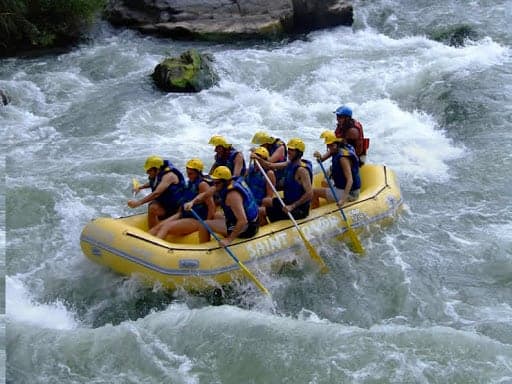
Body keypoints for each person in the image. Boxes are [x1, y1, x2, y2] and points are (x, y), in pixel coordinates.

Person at [185, 166, 259, 246]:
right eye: (213, 182)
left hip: (247, 228)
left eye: (217, 183)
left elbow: (243, 220)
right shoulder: (225, 184)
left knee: (204, 224)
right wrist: (192, 202)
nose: (214, 185)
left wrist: (229, 240)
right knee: (216, 215)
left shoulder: (232, 196)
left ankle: (205, 250)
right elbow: (205, 195)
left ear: (225, 182)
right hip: (246, 222)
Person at [149, 158, 216, 239]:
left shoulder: (202, 185)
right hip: (184, 214)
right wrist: (177, 214)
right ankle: (144, 244)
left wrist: (207, 225)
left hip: (197, 219)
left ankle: (155, 249)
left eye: (191, 173)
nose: (188, 176)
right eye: (188, 173)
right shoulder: (191, 182)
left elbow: (211, 206)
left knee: (166, 227)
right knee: (157, 228)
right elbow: (185, 200)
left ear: (198, 172)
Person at [253, 138, 313, 222]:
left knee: (260, 211)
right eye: (289, 149)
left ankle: (268, 229)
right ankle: (266, 223)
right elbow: (269, 165)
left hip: (298, 209)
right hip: (288, 201)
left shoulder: (302, 170)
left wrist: (292, 206)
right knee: (265, 201)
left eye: (292, 150)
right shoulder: (290, 163)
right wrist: (258, 158)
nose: (288, 152)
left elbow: (310, 194)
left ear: (299, 153)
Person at [128, 156, 186, 229]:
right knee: (152, 207)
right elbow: (154, 183)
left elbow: (156, 193)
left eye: (149, 170)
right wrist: (140, 187)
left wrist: (138, 203)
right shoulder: (158, 173)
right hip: (166, 206)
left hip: (177, 209)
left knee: (153, 206)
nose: (147, 172)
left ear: (157, 169)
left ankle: (158, 230)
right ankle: (152, 231)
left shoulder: (169, 176)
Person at [312, 131, 361, 208]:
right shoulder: (335, 149)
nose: (330, 148)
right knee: (324, 182)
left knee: (314, 192)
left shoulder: (343, 158)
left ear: (337, 143)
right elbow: (320, 160)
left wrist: (343, 199)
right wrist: (318, 156)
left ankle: (315, 213)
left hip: (350, 193)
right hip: (342, 187)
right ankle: (330, 201)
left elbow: (350, 180)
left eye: (332, 145)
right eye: (328, 145)